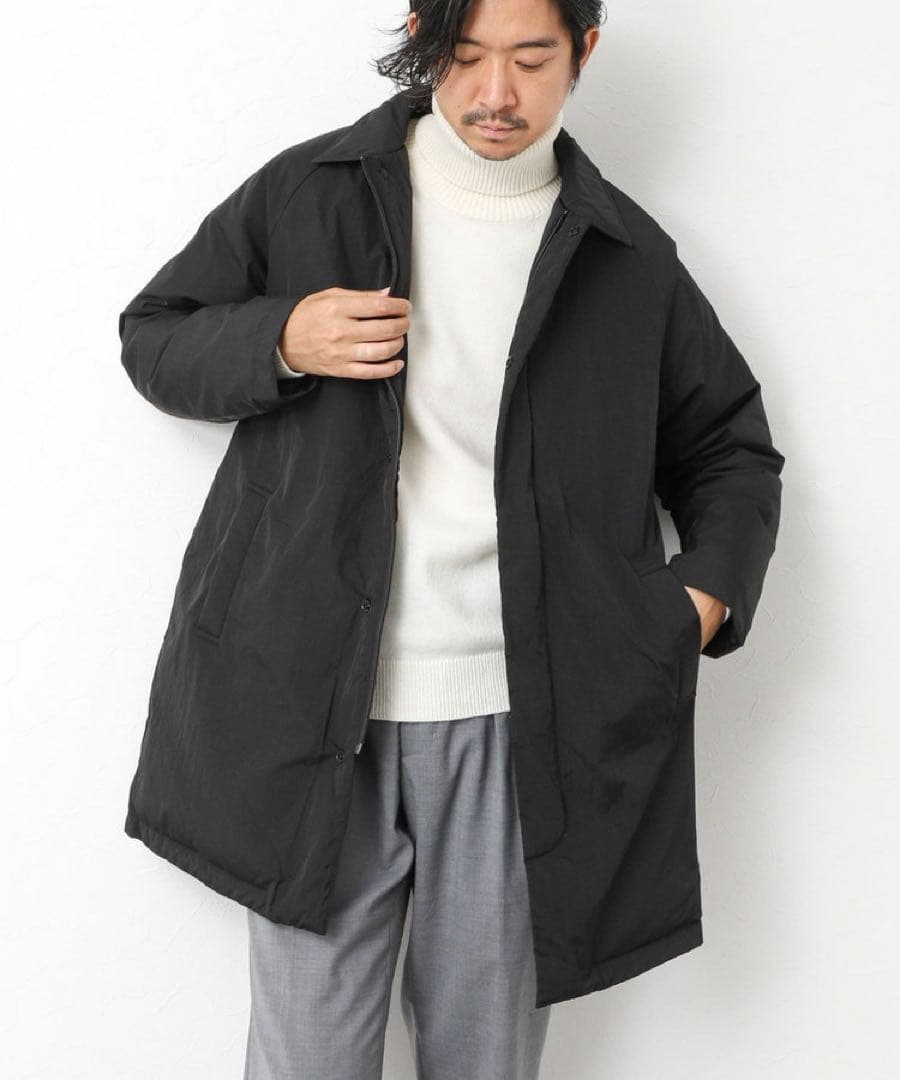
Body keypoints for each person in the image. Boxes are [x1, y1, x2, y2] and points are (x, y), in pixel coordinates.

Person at [118, 1, 785, 1077]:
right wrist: (281, 336)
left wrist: (699, 600)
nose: (495, 94)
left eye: (531, 58)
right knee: (305, 1060)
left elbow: (730, 450)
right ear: (424, 37)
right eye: (466, 57)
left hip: (521, 726)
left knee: (485, 1061)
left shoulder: (624, 257)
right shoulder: (314, 191)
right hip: (316, 714)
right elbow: (154, 336)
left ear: (584, 52)